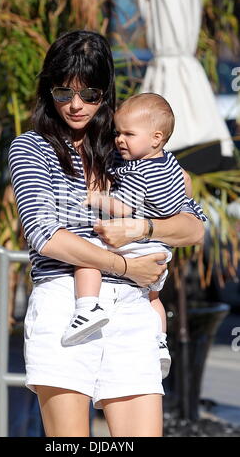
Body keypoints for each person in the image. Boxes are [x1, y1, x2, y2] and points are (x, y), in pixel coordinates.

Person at [8, 30, 206, 437]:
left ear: (106, 92)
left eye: (90, 94)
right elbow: (44, 235)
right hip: (68, 301)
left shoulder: (127, 143)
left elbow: (194, 226)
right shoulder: (32, 148)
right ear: (48, 89)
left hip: (134, 310)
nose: (76, 105)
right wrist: (125, 265)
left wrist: (145, 227)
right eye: (64, 92)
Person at [61, 93, 194, 381]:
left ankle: (86, 308)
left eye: (128, 134)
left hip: (134, 245)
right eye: (117, 133)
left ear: (156, 138)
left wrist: (95, 197)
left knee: (86, 255)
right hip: (160, 251)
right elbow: (186, 196)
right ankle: (160, 341)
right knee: (154, 298)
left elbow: (124, 207)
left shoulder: (137, 169)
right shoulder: (171, 165)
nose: (120, 140)